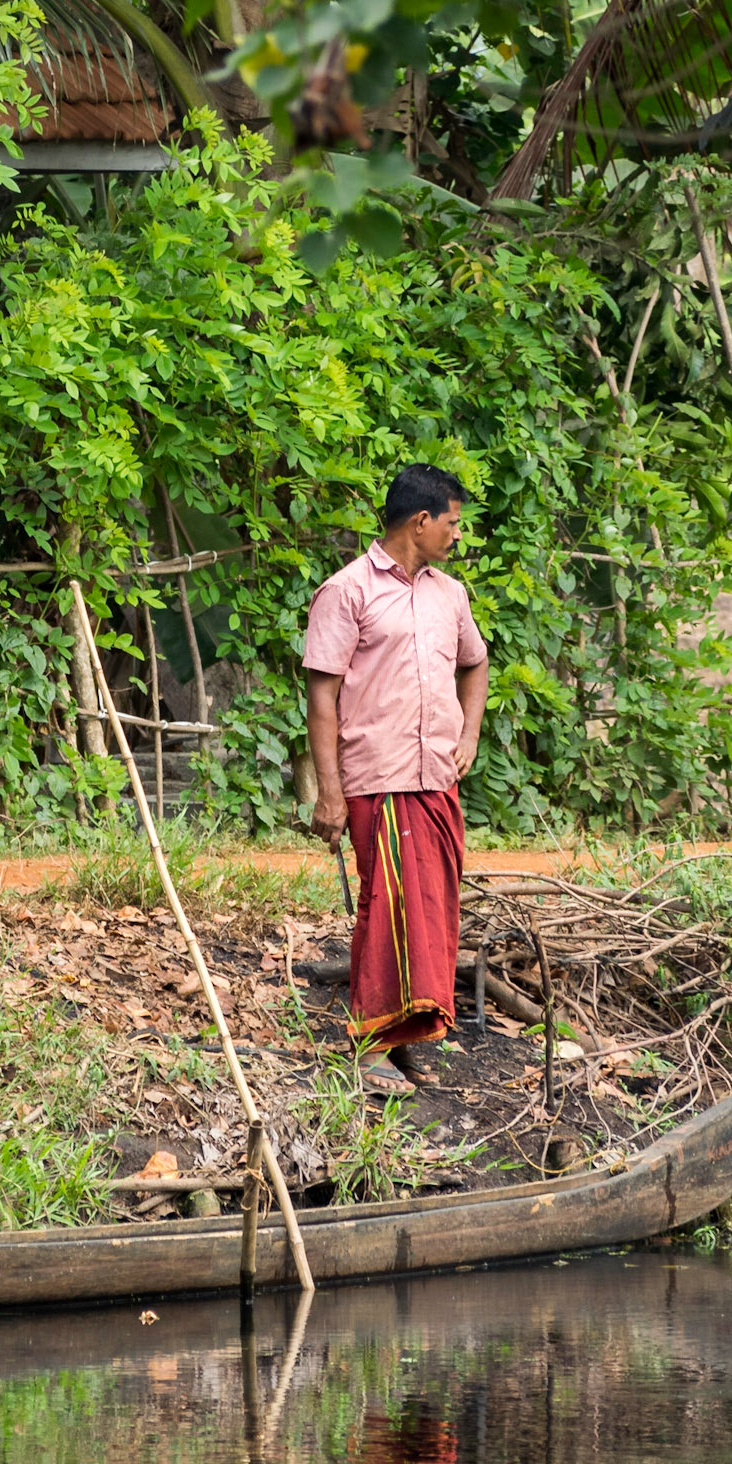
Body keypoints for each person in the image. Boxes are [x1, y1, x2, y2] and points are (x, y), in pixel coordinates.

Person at [303, 464, 488, 1096]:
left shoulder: (450, 595)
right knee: (385, 907)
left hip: (435, 776)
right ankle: (369, 1043)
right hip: (375, 776)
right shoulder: (346, 592)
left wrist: (467, 737)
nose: (457, 535)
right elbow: (321, 698)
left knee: (432, 911)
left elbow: (476, 664)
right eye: (454, 522)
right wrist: (329, 793)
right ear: (421, 521)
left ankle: (408, 1035)